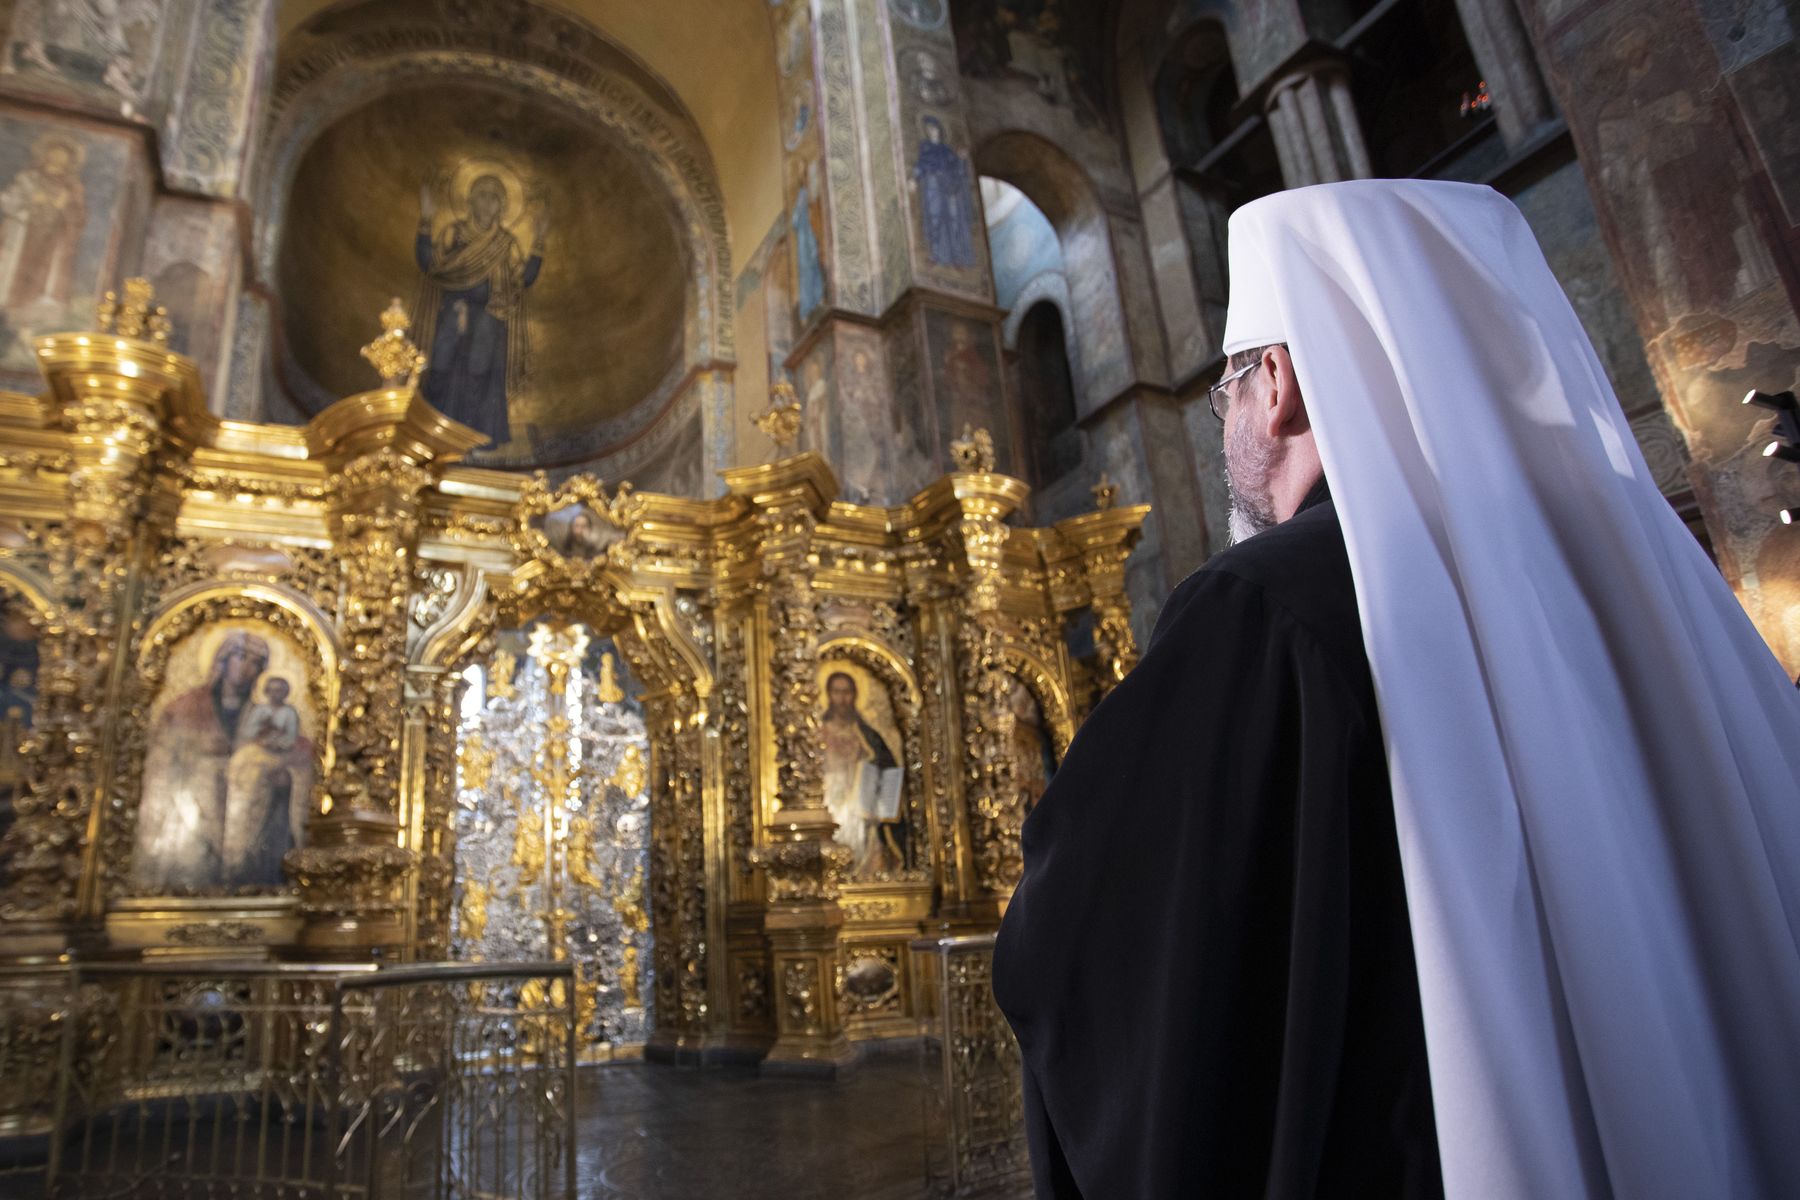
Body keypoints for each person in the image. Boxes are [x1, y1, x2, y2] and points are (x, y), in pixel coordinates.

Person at [993, 179, 1800, 1199]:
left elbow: (1093, 946)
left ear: (1275, 380)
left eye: (1226, 392)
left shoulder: (1267, 605)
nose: (1227, 422)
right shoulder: (1633, 589)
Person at [415, 172, 546, 447]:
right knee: (439, 362)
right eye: (482, 196)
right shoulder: (455, 232)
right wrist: (426, 220)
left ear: (501, 207)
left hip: (490, 315)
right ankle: (432, 426)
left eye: (494, 198)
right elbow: (431, 264)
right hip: (454, 310)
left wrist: (539, 242)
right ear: (470, 201)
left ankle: (475, 434)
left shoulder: (505, 244)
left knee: (480, 368)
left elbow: (522, 279)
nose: (487, 204)